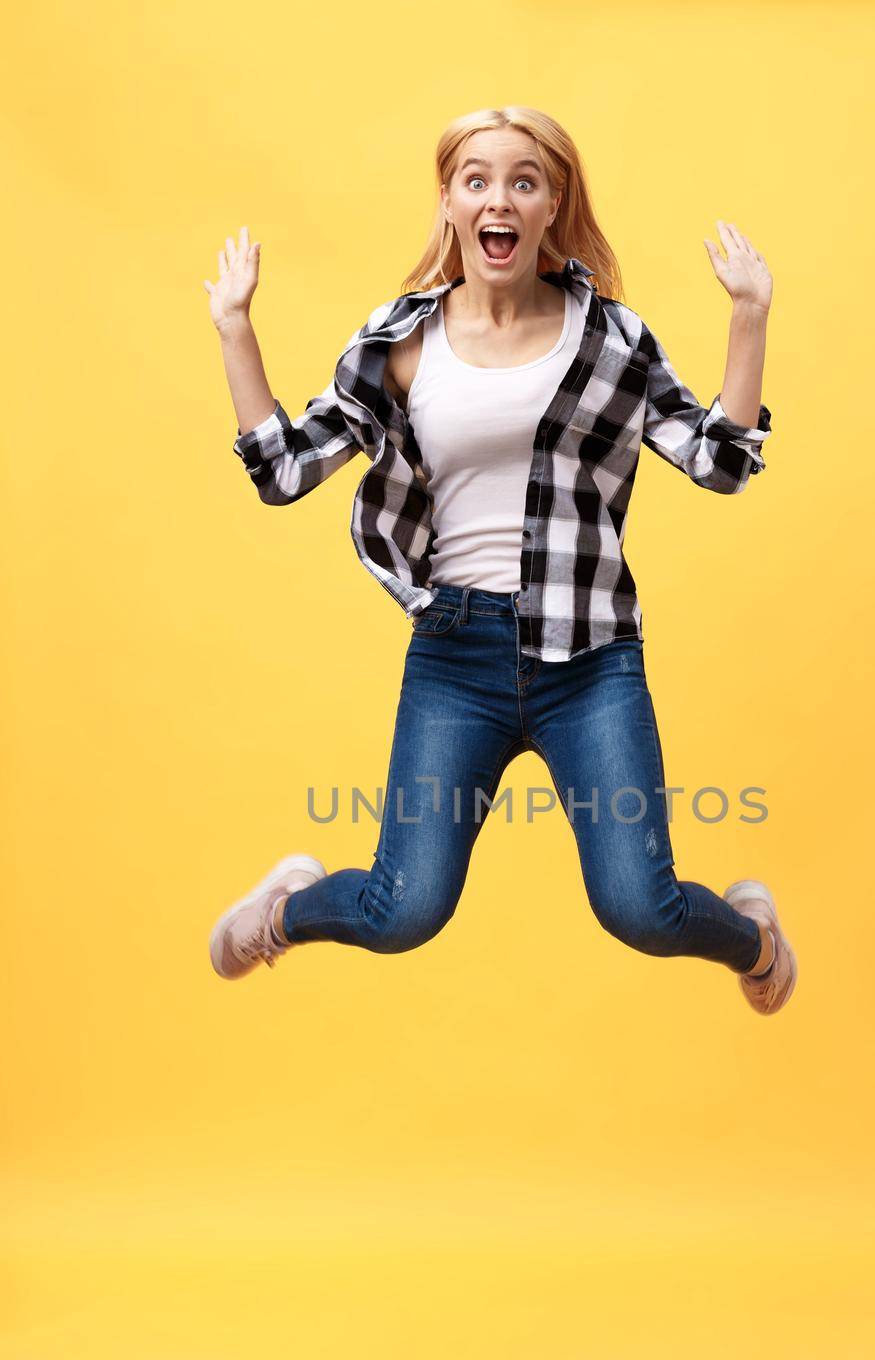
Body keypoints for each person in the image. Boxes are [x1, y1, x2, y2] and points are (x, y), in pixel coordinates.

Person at [203, 105, 797, 1016]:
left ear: (551, 205)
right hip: (456, 655)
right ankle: (284, 911)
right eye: (476, 178)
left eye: (524, 180)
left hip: (590, 658)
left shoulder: (611, 340)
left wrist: (750, 317)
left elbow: (718, 464)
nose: (500, 198)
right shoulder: (402, 343)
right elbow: (284, 473)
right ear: (448, 202)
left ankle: (754, 942)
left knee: (641, 907)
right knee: (402, 911)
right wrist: (235, 328)